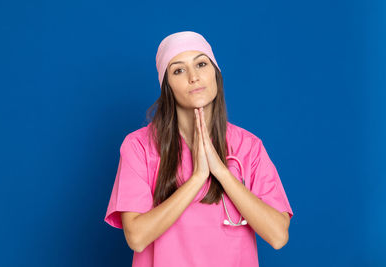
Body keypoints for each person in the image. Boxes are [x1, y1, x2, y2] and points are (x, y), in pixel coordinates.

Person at [104, 31, 294, 267]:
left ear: (216, 74)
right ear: (167, 86)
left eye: (201, 64)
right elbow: (137, 238)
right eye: (178, 70)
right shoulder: (139, 146)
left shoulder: (249, 146)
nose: (193, 77)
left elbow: (278, 235)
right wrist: (198, 178)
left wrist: (223, 173)